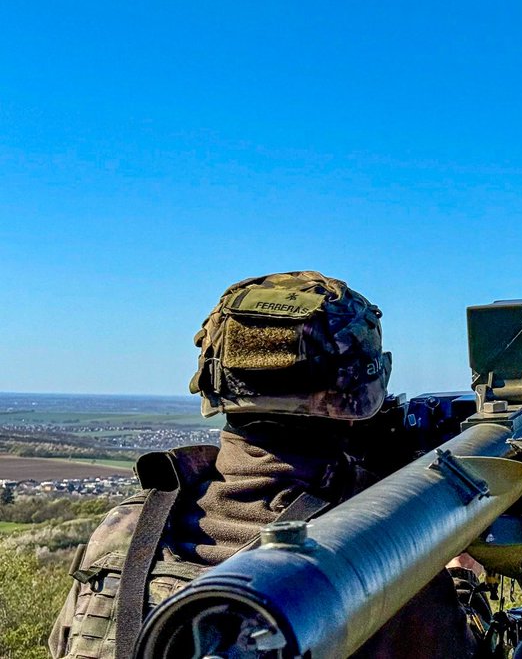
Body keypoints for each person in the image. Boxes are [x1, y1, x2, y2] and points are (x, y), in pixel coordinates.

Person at [48, 271, 479, 659]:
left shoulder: (125, 528)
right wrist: (459, 580)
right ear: (361, 390)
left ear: (214, 384)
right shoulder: (378, 546)